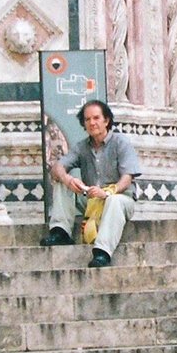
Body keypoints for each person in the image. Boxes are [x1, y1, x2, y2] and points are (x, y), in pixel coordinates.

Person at [39, 100, 141, 268]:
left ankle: (102, 253)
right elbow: (57, 168)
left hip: (119, 199)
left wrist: (109, 192)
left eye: (96, 118)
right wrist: (69, 180)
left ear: (106, 120)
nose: (92, 123)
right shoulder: (81, 147)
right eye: (87, 119)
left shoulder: (120, 142)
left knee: (114, 201)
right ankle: (60, 232)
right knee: (62, 181)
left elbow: (127, 178)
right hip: (92, 199)